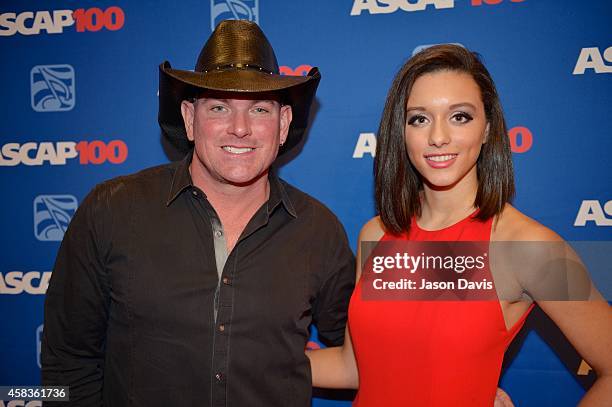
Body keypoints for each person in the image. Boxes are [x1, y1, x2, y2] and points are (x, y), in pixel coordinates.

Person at [41, 20, 355, 407]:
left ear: (283, 124)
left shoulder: (319, 230)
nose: (240, 129)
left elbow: (370, 351)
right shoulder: (111, 210)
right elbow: (66, 364)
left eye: (259, 109)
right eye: (219, 107)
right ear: (190, 119)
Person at [307, 45, 612, 406]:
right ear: (400, 133)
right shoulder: (375, 234)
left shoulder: (530, 247)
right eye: (419, 118)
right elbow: (353, 368)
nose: (438, 137)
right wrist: (247, 361)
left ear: (487, 129)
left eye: (460, 117)